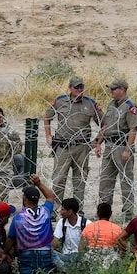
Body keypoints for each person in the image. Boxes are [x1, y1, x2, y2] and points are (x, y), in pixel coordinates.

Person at [44, 75, 103, 209]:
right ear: (70, 88)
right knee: (59, 179)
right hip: (63, 147)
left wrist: (97, 142)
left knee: (80, 180)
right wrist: (48, 136)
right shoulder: (60, 101)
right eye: (76, 87)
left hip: (82, 147)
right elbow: (47, 117)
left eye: (81, 87)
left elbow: (105, 123)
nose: (79, 89)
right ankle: (55, 209)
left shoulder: (90, 103)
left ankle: (78, 210)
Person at [94, 78, 137, 222]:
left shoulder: (129, 106)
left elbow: (133, 128)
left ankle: (127, 216)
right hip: (109, 145)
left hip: (121, 146)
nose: (111, 91)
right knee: (105, 182)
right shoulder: (111, 105)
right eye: (111, 89)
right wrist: (98, 142)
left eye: (114, 89)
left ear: (123, 90)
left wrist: (128, 149)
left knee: (125, 181)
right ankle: (104, 215)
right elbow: (106, 126)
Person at [6, 173, 56, 274]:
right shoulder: (46, 211)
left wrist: (5, 252)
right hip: (45, 252)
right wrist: (39, 184)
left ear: (24, 199)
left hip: (26, 254)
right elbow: (50, 197)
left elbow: (11, 239)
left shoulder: (18, 218)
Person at [79, 203, 122, 268]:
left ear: (97, 213)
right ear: (110, 214)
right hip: (110, 263)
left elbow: (81, 248)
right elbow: (121, 248)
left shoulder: (88, 227)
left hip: (91, 262)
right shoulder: (117, 228)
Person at [51, 198, 87, 271]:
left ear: (70, 212)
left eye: (62, 209)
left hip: (80, 257)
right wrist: (50, 250)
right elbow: (55, 241)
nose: (60, 212)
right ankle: (68, 270)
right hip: (66, 256)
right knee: (49, 253)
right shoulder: (62, 222)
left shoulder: (86, 223)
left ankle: (67, 271)